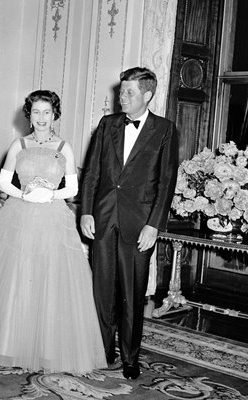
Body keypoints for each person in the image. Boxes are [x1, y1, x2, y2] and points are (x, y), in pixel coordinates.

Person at [0, 90, 106, 374]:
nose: (41, 118)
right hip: (19, 215)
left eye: (46, 112)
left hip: (53, 219)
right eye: (35, 112)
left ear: (55, 114)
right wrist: (26, 194)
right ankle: (9, 346)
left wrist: (50, 196)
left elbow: (73, 188)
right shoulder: (18, 144)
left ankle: (47, 350)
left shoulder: (64, 146)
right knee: (17, 278)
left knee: (50, 280)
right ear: (28, 115)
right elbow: (3, 182)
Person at [80, 67, 179, 379]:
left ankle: (130, 358)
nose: (121, 97)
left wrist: (154, 225)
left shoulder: (164, 129)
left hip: (141, 224)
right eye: (121, 91)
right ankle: (103, 351)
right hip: (104, 217)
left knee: (133, 294)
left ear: (147, 95)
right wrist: (85, 211)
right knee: (101, 289)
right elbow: (92, 173)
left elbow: (166, 182)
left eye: (128, 92)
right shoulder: (107, 124)